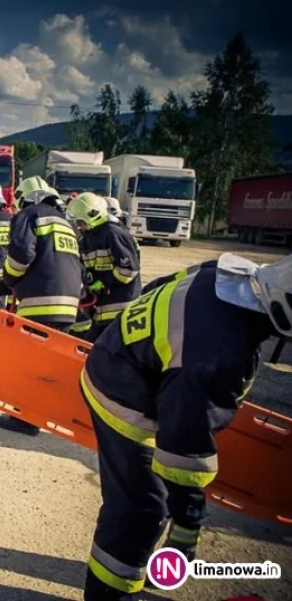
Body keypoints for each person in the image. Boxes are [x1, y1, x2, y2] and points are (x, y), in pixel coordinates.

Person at [80, 254, 291, 600]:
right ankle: (107, 594)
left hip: (119, 357)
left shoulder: (225, 272)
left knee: (149, 501)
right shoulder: (219, 356)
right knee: (141, 510)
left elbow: (154, 289)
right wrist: (188, 519)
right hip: (123, 394)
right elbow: (183, 446)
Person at [0, 176, 83, 435]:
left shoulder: (29, 216)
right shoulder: (66, 223)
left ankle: (25, 419)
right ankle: (45, 413)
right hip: (68, 304)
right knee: (51, 363)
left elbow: (21, 254)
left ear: (28, 197)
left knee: (30, 360)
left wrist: (7, 280)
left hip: (40, 301)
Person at [67, 192, 142, 342]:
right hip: (102, 309)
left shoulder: (112, 233)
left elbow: (128, 270)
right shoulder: (87, 239)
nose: (79, 226)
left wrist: (102, 283)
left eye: (81, 222)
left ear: (92, 215)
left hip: (121, 308)